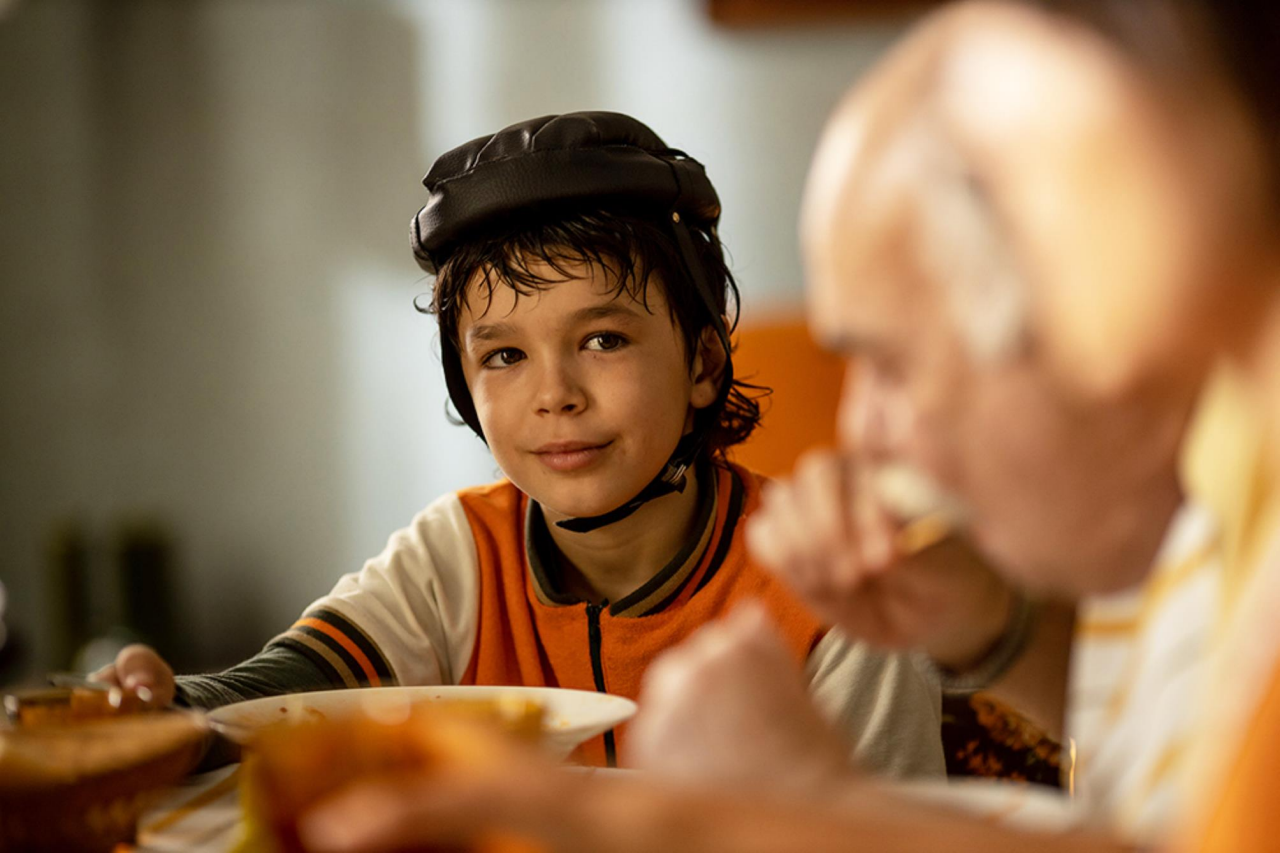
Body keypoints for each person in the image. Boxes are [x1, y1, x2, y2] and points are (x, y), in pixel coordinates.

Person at [293, 3, 1280, 852]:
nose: (863, 431)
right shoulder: (1215, 506)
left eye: (891, 361)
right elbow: (1153, 821)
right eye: (501, 355)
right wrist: (998, 631)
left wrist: (785, 807)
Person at [91, 111, 944, 774]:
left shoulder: (828, 580)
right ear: (466, 386)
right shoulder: (460, 554)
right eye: (503, 356)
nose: (555, 396)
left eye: (603, 339)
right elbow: (287, 690)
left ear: (703, 363)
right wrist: (168, 710)